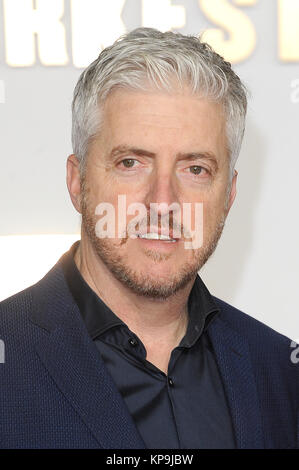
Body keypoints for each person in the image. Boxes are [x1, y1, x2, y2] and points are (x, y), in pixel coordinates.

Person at [0, 28, 298, 449]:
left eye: (195, 169)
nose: (163, 201)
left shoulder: (281, 373)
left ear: (228, 194)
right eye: (131, 162)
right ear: (76, 181)